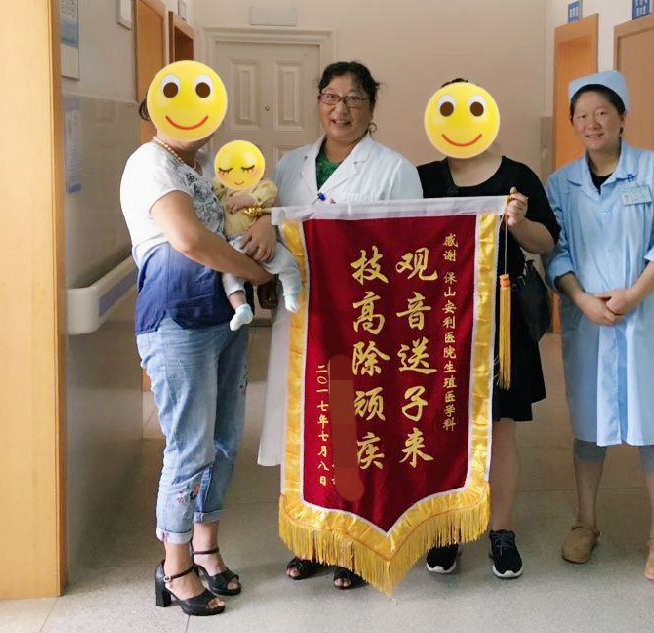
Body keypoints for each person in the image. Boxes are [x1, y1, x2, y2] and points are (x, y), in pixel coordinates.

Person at [257, 60, 423, 589]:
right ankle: (308, 540)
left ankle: (351, 545)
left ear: (371, 107)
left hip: (361, 322)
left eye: (354, 99)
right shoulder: (290, 166)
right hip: (300, 317)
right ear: (318, 102)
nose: (341, 109)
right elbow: (273, 235)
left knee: (351, 434)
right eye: (331, 97)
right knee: (303, 427)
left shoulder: (395, 169)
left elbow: (409, 250)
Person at [120, 96, 275, 614]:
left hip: (223, 318)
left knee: (225, 441)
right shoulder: (150, 163)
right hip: (176, 319)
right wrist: (256, 273)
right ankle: (175, 566)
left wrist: (262, 221)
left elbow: (237, 216)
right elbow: (188, 238)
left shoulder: (205, 164)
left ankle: (206, 548)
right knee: (189, 448)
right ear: (155, 111)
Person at [543, 70, 654, 582]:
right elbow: (555, 252)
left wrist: (633, 295)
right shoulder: (561, 184)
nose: (592, 123)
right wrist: (581, 299)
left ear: (622, 118)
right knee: (589, 427)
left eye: (602, 112)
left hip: (646, 317)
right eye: (581, 115)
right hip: (588, 320)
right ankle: (586, 523)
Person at [418, 79, 560, 580]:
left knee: (501, 427)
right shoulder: (422, 179)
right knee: (444, 426)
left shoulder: (517, 177)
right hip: (439, 320)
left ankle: (501, 530)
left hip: (502, 320)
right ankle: (450, 527)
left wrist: (517, 221)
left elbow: (544, 242)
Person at [213, 167, 301, 330]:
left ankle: (291, 293)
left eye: (246, 169)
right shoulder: (222, 188)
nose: (238, 176)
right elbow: (214, 189)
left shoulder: (261, 185)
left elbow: (270, 193)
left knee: (287, 262)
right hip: (235, 242)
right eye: (229, 170)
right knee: (229, 275)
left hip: (261, 237)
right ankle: (241, 308)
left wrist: (249, 199)